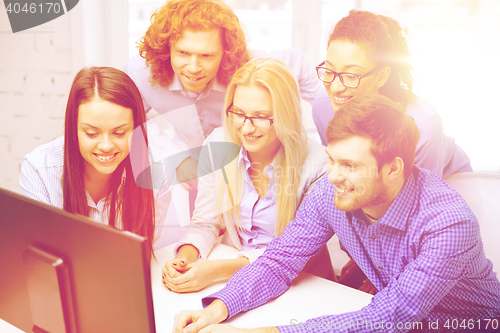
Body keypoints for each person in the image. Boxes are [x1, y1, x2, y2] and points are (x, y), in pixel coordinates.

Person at [172, 95, 500, 333]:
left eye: (350, 165)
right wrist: (217, 310)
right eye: (332, 159)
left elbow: (390, 317)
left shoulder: (448, 223)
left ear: (393, 168)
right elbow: (279, 261)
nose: (333, 176)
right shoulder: (333, 193)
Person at [161, 58, 330, 293]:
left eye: (261, 117)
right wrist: (185, 257)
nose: (246, 128)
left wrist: (216, 270)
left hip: (302, 285)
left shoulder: (319, 165)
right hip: (236, 279)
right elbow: (205, 222)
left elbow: (293, 253)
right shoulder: (218, 144)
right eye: (238, 113)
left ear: (286, 115)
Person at [123, 0, 321, 190]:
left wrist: (333, 139)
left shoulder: (251, 65)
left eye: (206, 56)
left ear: (225, 53)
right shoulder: (141, 74)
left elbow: (297, 63)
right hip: (193, 174)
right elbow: (130, 120)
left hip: (252, 169)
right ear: (167, 49)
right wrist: (177, 156)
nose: (193, 68)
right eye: (183, 53)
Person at [19, 67, 171, 253]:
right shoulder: (39, 169)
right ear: (73, 128)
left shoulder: (157, 170)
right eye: (92, 133)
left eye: (119, 132)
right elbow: (39, 256)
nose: (106, 145)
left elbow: (142, 251)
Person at [312, 10, 472, 179]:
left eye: (351, 76)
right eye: (329, 71)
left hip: (450, 181)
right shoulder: (323, 107)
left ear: (381, 76)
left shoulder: (423, 125)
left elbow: (421, 197)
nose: (336, 88)